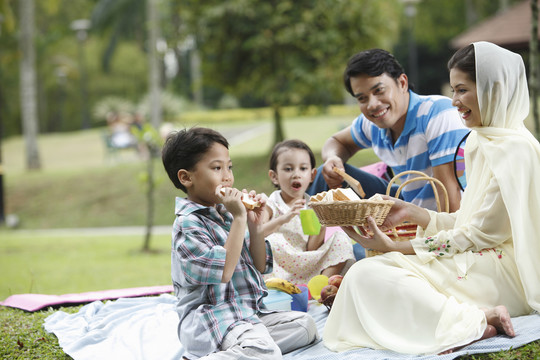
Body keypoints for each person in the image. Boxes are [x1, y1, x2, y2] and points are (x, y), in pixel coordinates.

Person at [322, 41, 540, 355]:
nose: (455, 101)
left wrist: (397, 246)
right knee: (367, 273)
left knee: (369, 273)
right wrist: (412, 211)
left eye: (463, 90)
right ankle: (475, 318)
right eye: (453, 90)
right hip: (475, 256)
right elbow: (467, 220)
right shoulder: (483, 140)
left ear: (495, 88)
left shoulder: (514, 149)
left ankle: (473, 321)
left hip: (503, 271)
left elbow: (477, 235)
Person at [161, 127, 318, 359]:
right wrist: (239, 218)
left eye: (229, 167)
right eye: (217, 168)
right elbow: (224, 271)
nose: (227, 177)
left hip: (247, 313)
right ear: (186, 177)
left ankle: (245, 349)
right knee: (265, 351)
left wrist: (254, 226)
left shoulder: (226, 214)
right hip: (211, 320)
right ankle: (249, 349)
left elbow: (259, 264)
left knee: (306, 326)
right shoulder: (188, 225)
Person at [308, 49, 469, 213]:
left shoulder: (437, 113)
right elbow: (337, 142)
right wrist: (332, 157)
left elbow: (450, 200)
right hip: (407, 206)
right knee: (326, 172)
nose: (372, 104)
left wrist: (417, 237)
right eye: (362, 98)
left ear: (402, 83)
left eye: (379, 91)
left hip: (439, 221)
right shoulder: (373, 124)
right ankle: (299, 232)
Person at [261, 139, 355, 284]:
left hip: (304, 261)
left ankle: (321, 285)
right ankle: (281, 286)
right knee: (272, 241)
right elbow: (258, 233)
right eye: (288, 169)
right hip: (280, 265)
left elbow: (311, 248)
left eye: (303, 169)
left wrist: (325, 219)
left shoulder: (312, 205)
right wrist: (285, 217)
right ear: (274, 176)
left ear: (312, 175)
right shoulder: (271, 203)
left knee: (340, 239)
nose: (296, 174)